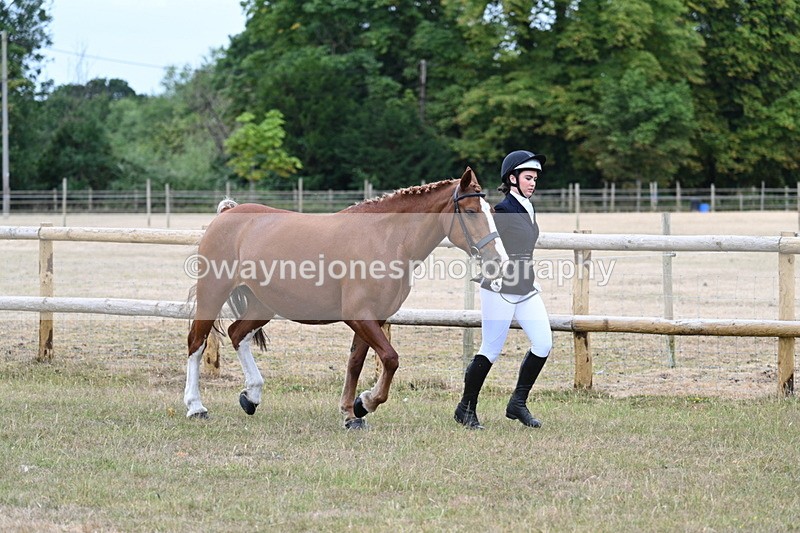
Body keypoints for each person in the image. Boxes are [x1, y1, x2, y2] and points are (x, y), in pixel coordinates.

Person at [454, 149, 553, 429]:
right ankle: (465, 408)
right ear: (512, 178)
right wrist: (495, 274)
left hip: (525, 286)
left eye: (535, 179)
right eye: (528, 178)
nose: (533, 183)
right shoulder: (500, 211)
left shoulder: (528, 207)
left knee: (543, 343)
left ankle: (517, 403)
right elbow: (484, 245)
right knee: (490, 349)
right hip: (499, 287)